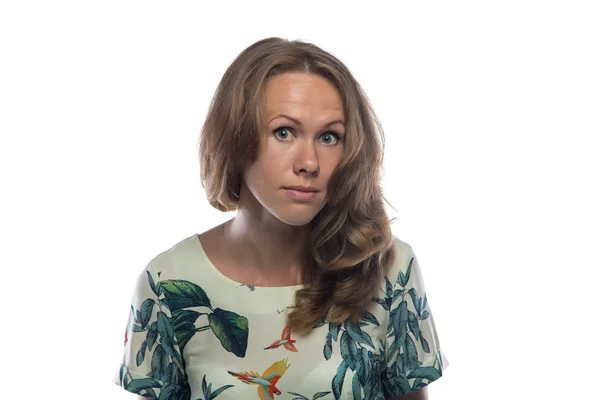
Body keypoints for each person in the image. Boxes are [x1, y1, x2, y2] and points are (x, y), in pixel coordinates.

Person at [113, 37, 449, 400]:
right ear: (236, 138)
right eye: (284, 132)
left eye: (329, 137)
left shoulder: (389, 269)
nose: (309, 162)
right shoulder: (169, 284)